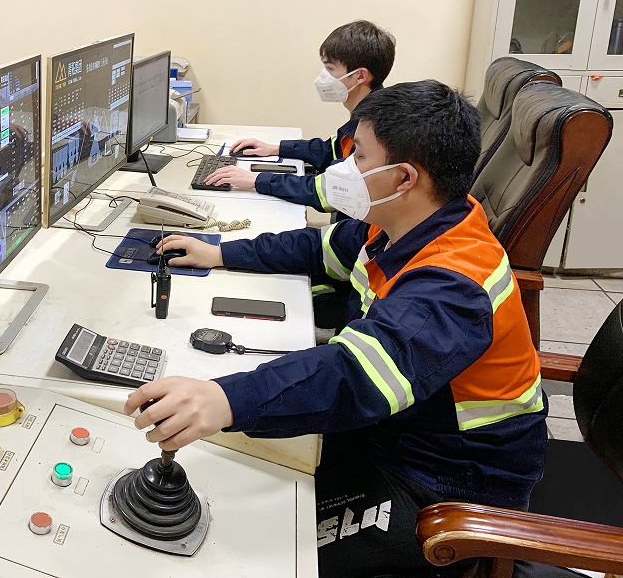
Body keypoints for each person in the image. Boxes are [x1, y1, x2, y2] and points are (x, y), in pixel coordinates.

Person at [125, 80, 547, 578]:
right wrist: (219, 252)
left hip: (448, 481)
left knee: (247, 551)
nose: (344, 167)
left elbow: (356, 376)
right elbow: (318, 249)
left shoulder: (454, 284)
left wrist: (225, 399)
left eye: (360, 156)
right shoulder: (405, 222)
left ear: (404, 178)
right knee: (237, 472)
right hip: (395, 431)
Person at [203, 20, 396, 214]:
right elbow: (329, 150)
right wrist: (274, 148)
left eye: (330, 69)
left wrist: (256, 180)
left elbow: (330, 191)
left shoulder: (374, 129)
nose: (324, 77)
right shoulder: (366, 114)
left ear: (360, 76)